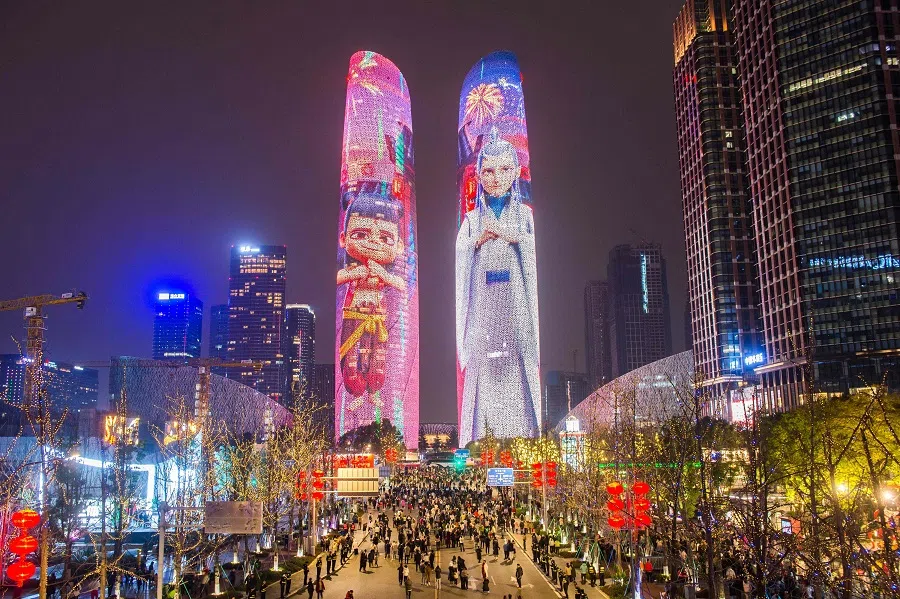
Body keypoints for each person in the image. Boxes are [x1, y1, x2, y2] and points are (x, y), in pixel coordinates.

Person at [457, 128, 540, 445]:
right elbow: (460, 256)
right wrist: (475, 242)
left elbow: (532, 249)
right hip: (482, 303)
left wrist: (509, 234)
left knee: (518, 361)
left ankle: (523, 434)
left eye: (504, 169)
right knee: (482, 366)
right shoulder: (471, 220)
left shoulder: (524, 217)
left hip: (514, 301)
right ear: (478, 174)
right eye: (488, 170)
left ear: (516, 171)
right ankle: (479, 437)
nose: (495, 178)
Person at [337, 191, 407, 412]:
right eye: (360, 234)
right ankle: (356, 391)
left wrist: (385, 276)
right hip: (354, 316)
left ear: (399, 245)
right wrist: (355, 273)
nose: (373, 243)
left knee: (378, 355)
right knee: (352, 355)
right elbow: (338, 278)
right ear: (343, 238)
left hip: (378, 320)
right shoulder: (352, 268)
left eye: (385, 238)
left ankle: (373, 390)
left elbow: (402, 285)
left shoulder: (384, 272)